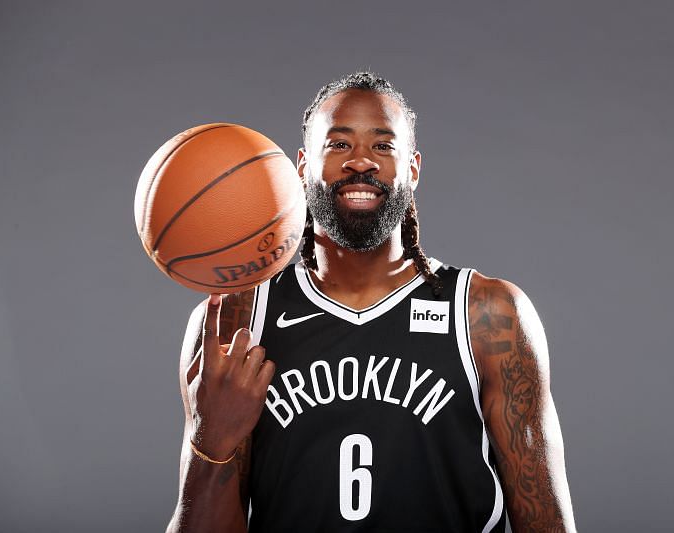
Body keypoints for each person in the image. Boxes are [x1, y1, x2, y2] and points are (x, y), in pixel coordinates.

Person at [166, 72, 577, 532]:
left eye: (383, 146)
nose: (360, 161)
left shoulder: (486, 314)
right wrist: (213, 441)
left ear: (414, 168)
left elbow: (546, 520)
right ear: (301, 167)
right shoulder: (237, 321)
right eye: (338, 145)